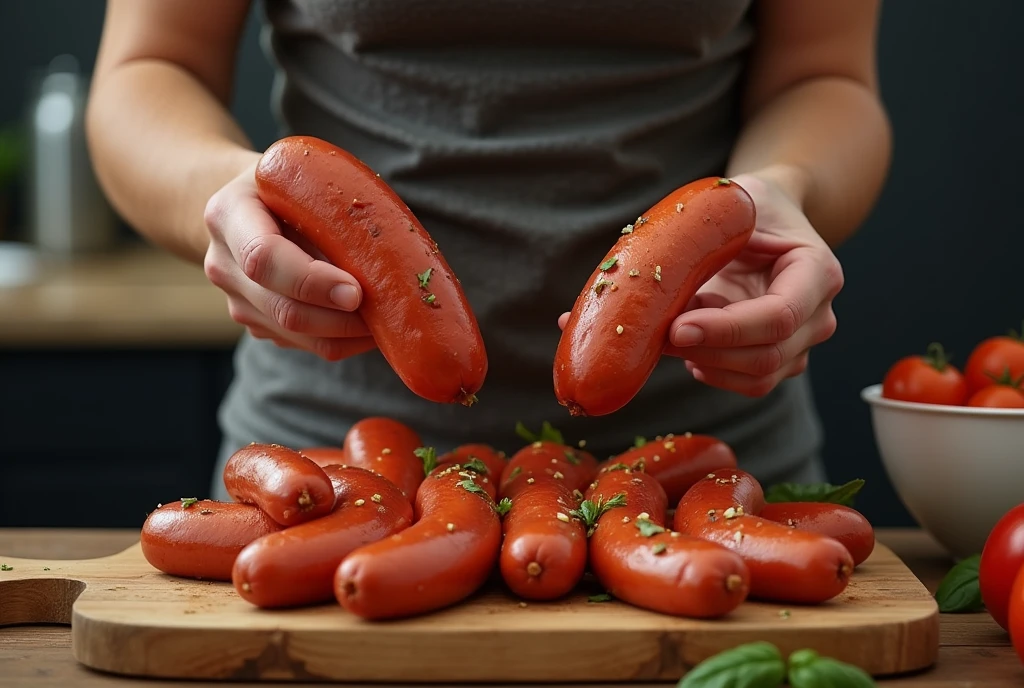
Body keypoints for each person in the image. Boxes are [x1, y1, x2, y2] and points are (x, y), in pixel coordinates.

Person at [85, 0, 891, 501]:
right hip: (332, 471)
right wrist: (227, 194)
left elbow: (824, 76)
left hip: (706, 471)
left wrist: (788, 187)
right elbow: (149, 68)